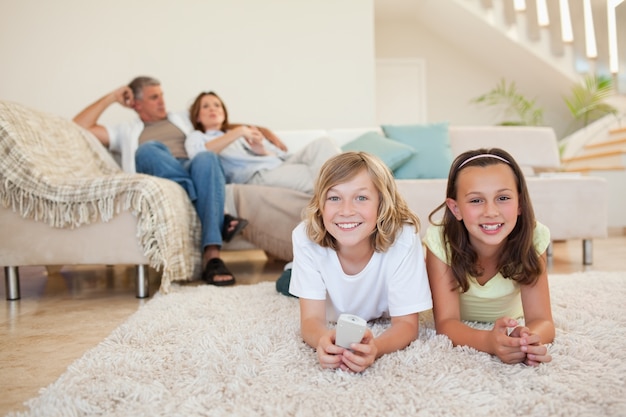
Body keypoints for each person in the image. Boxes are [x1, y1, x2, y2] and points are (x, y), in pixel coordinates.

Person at [73, 76, 246, 286]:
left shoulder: (182, 118)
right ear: (137, 104)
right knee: (148, 149)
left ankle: (212, 256)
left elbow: (217, 120)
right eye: (154, 97)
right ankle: (210, 209)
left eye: (161, 95)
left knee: (206, 157)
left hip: (193, 170)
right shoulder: (125, 131)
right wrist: (112, 97)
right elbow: (78, 127)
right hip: (162, 174)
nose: (162, 101)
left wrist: (260, 131)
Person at [288, 151, 432, 373]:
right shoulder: (305, 238)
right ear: (320, 204)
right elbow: (311, 319)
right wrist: (323, 341)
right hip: (314, 267)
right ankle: (290, 270)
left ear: (381, 204)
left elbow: (407, 325)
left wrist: (377, 347)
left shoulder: (404, 238)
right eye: (334, 198)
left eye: (361, 198)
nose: (346, 211)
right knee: (285, 284)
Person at [424, 147, 555, 366]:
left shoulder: (533, 236)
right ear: (455, 208)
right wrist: (488, 341)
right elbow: (447, 323)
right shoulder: (440, 240)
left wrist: (527, 340)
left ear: (520, 204)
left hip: (513, 316)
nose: (491, 211)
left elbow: (542, 320)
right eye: (476, 201)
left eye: (503, 198)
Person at [185, 91, 341, 194]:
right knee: (317, 178)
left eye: (217, 105)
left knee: (324, 143)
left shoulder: (241, 133)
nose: (213, 109)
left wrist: (262, 151)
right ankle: (351, 193)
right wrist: (238, 132)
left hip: (281, 162)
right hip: (259, 174)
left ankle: (349, 189)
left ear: (224, 113)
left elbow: (280, 155)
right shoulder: (198, 136)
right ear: (198, 116)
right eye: (206, 106)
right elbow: (199, 156)